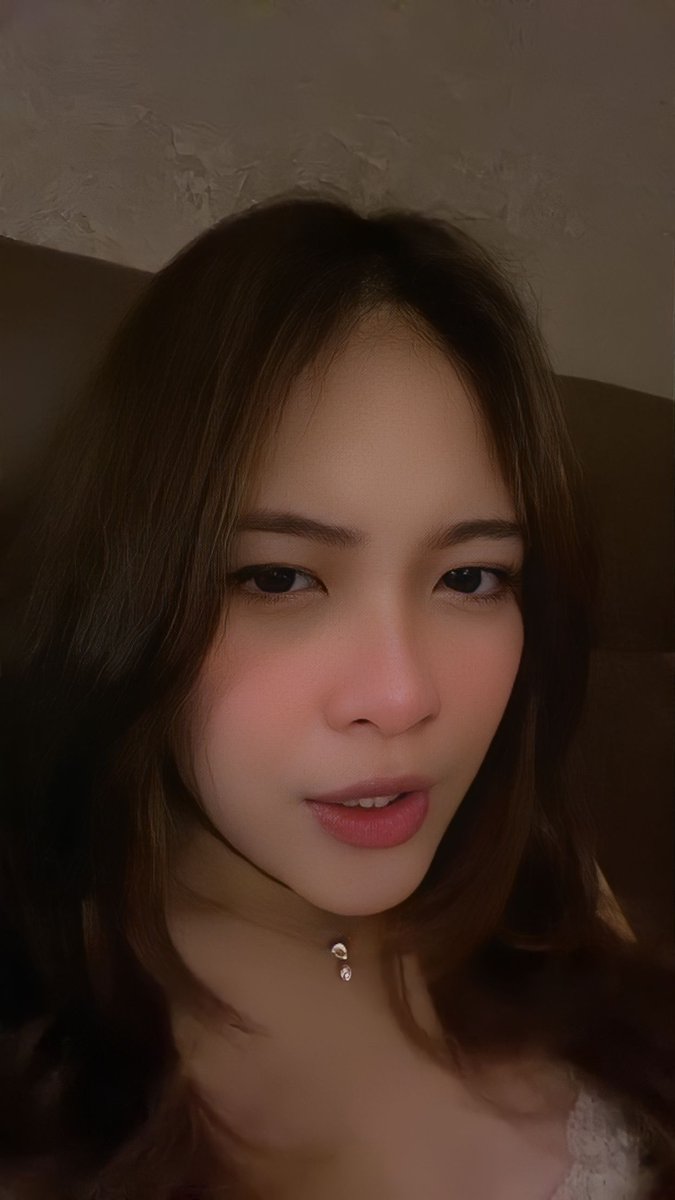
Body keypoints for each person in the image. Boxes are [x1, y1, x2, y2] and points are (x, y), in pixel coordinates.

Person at [0, 189, 673, 1200]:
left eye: (470, 578)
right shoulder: (42, 1049)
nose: (400, 699)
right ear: (128, 589)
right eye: (278, 579)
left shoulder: (542, 875)